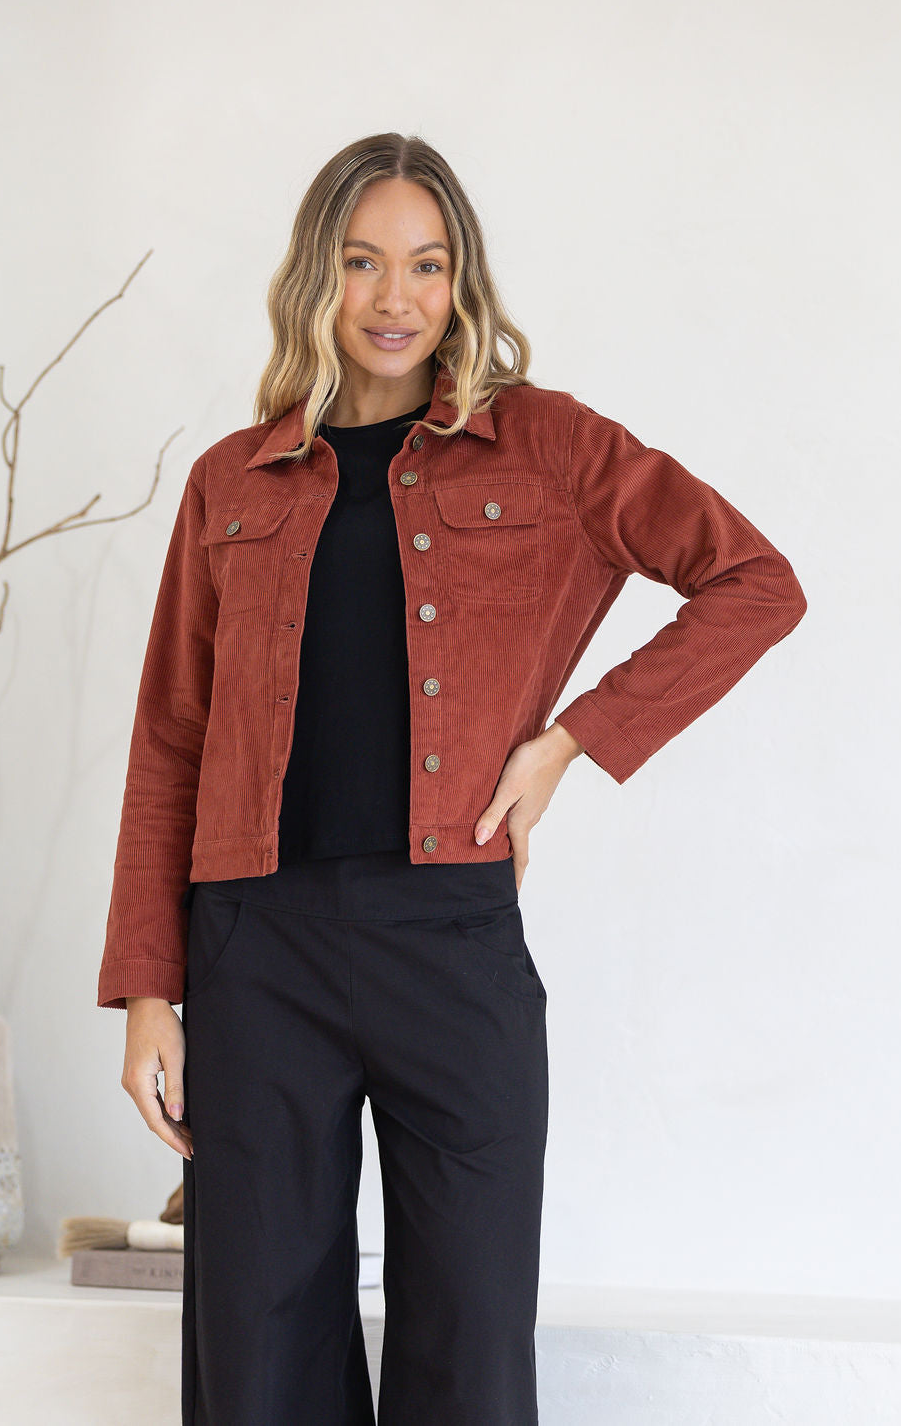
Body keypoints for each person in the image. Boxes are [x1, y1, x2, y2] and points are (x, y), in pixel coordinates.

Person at [97, 132, 807, 1425]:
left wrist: (572, 740)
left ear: (461, 282)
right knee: (257, 1355)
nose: (393, 298)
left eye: (426, 266)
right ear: (317, 277)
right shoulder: (229, 482)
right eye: (363, 262)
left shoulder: (544, 447)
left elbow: (754, 582)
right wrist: (150, 986)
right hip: (258, 949)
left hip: (452, 935)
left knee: (470, 1347)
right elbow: (171, 737)